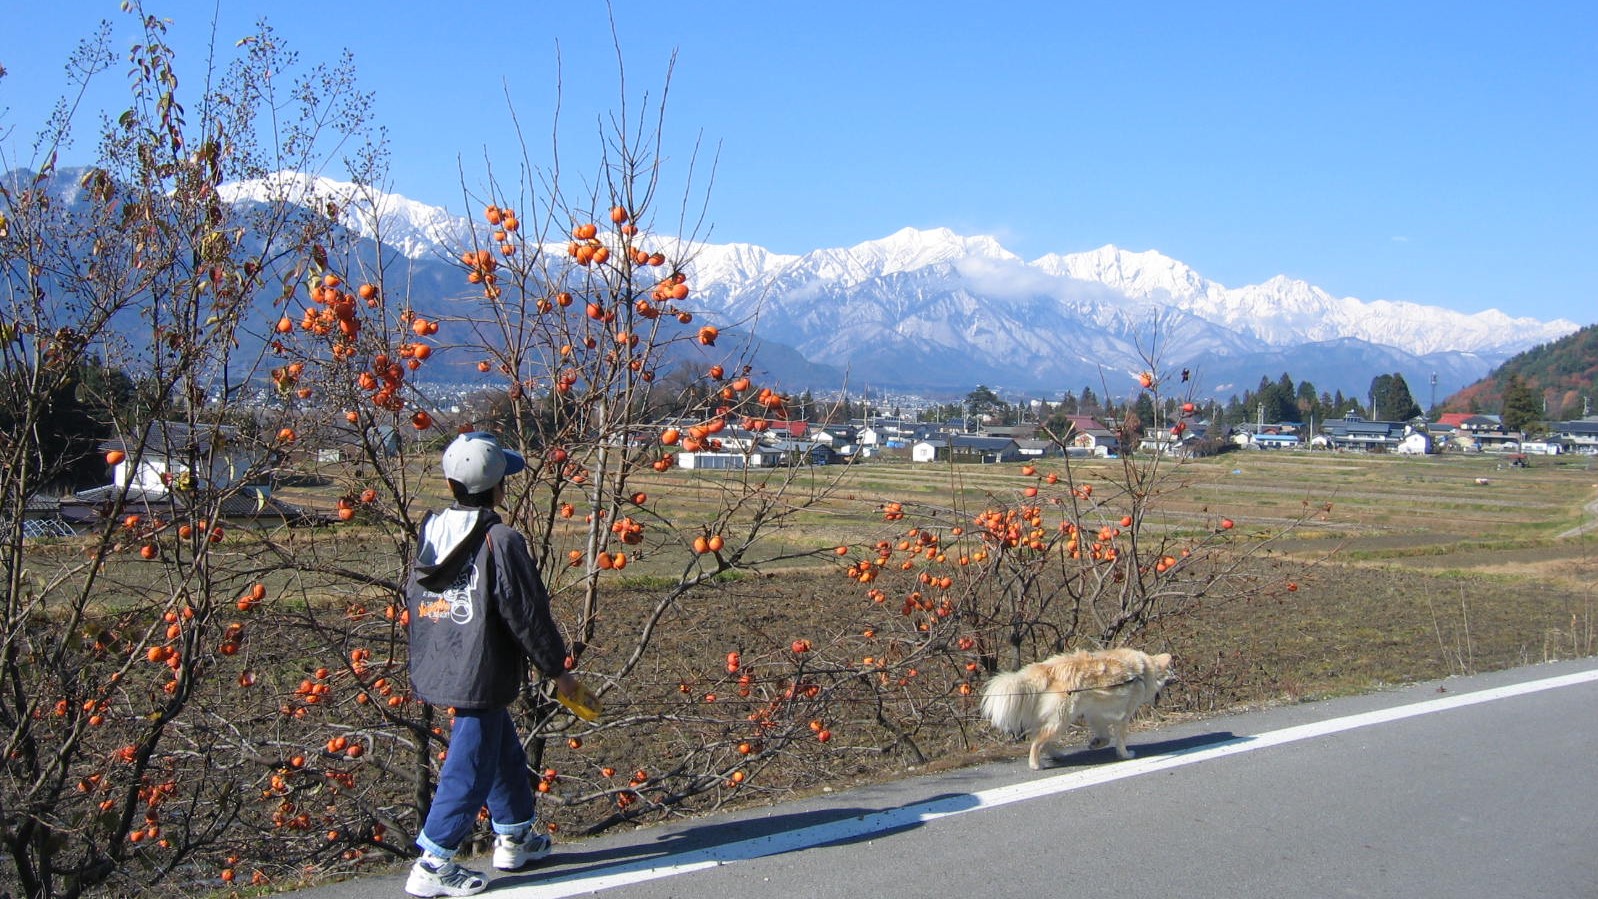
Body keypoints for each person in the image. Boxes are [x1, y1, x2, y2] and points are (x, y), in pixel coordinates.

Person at [404, 431, 580, 897]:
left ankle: (516, 834)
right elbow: (526, 612)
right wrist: (557, 669)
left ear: (450, 483)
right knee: (472, 760)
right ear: (500, 487)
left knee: (498, 744)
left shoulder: (431, 530)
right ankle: (434, 861)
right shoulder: (500, 540)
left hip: (439, 660)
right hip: (480, 667)